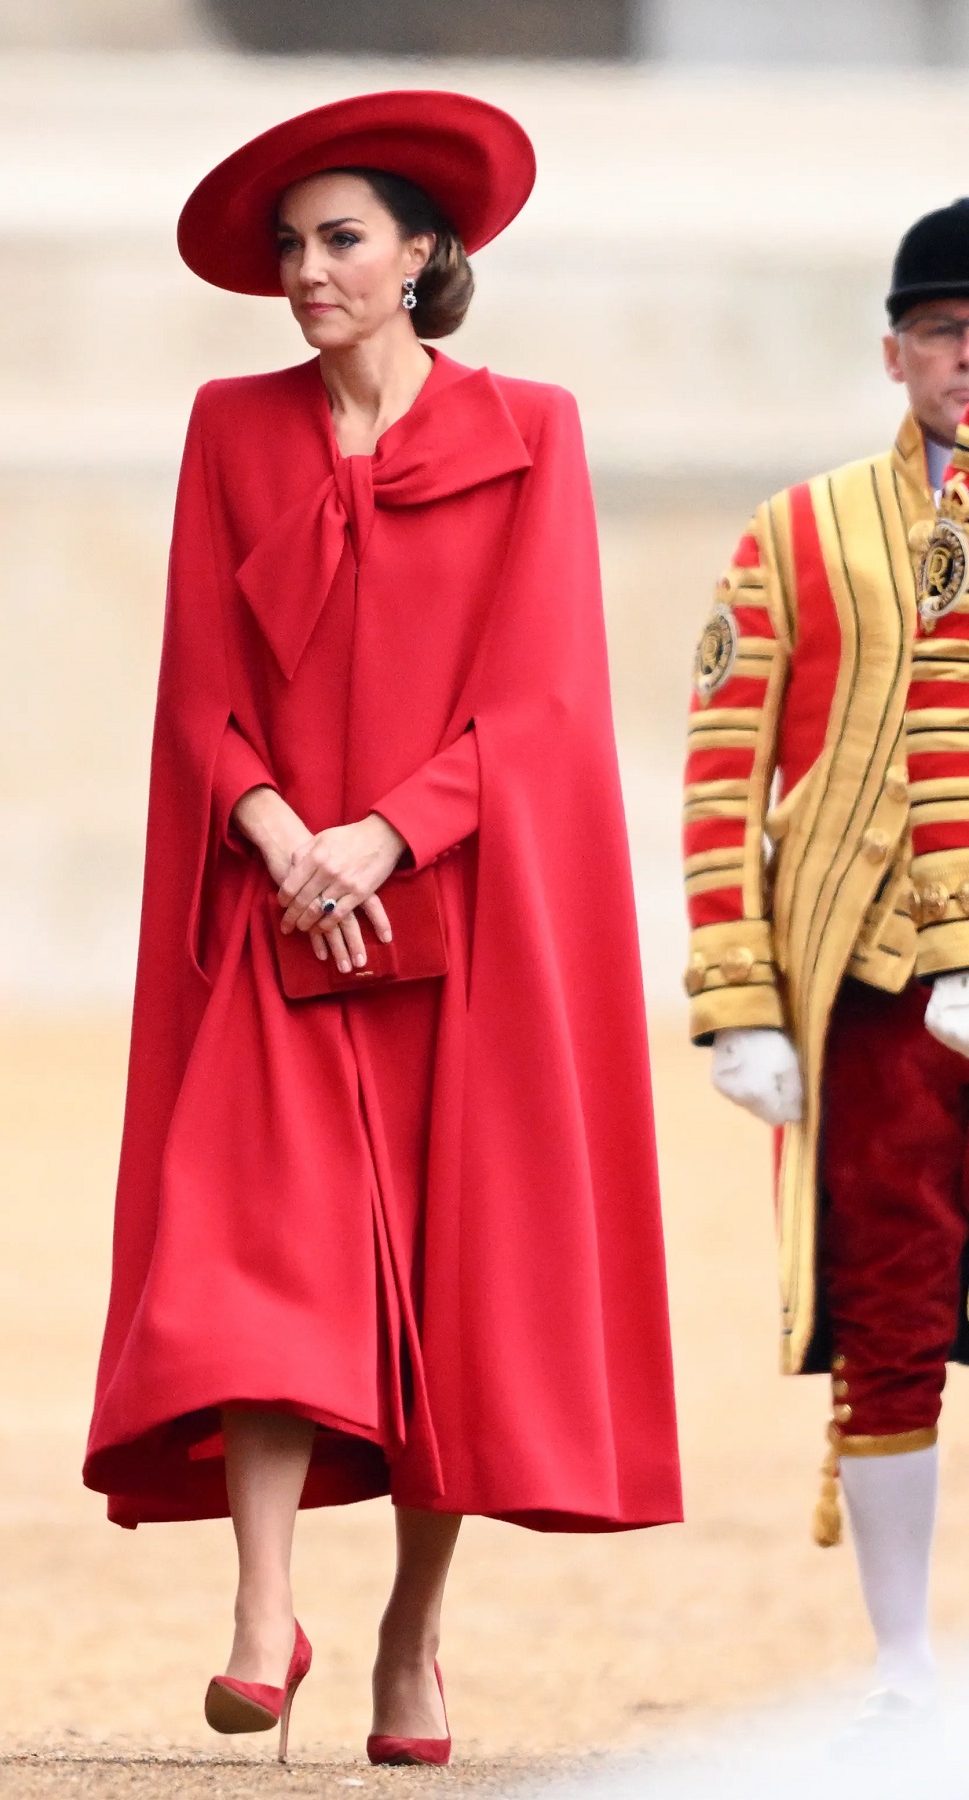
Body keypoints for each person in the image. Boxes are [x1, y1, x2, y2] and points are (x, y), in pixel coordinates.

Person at [84, 90, 681, 1764]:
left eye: (340, 239)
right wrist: (284, 840)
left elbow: (546, 702)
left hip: (456, 927)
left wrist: (382, 839)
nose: (306, 271)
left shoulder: (534, 430)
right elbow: (199, 684)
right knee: (250, 1261)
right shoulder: (231, 428)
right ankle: (264, 1611)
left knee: (446, 1302)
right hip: (280, 917)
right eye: (291, 245)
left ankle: (411, 1641)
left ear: (426, 255)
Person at [681, 198, 969, 1729]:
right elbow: (725, 771)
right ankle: (907, 1664)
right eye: (945, 330)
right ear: (895, 349)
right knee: (889, 1311)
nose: (968, 358)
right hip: (873, 985)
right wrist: (737, 1000)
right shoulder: (796, 532)